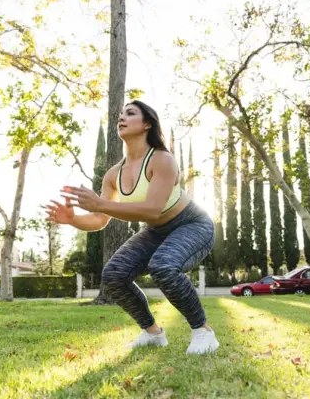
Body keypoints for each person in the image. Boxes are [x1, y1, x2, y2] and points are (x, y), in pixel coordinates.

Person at [46, 100, 219, 355]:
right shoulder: (113, 174)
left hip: (192, 224)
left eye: (130, 113)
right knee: (114, 275)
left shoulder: (162, 160)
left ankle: (203, 332)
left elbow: (152, 209)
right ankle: (152, 334)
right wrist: (73, 219)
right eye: (120, 114)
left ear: (147, 123)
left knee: (163, 266)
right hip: (156, 231)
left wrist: (100, 204)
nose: (121, 118)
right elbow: (99, 220)